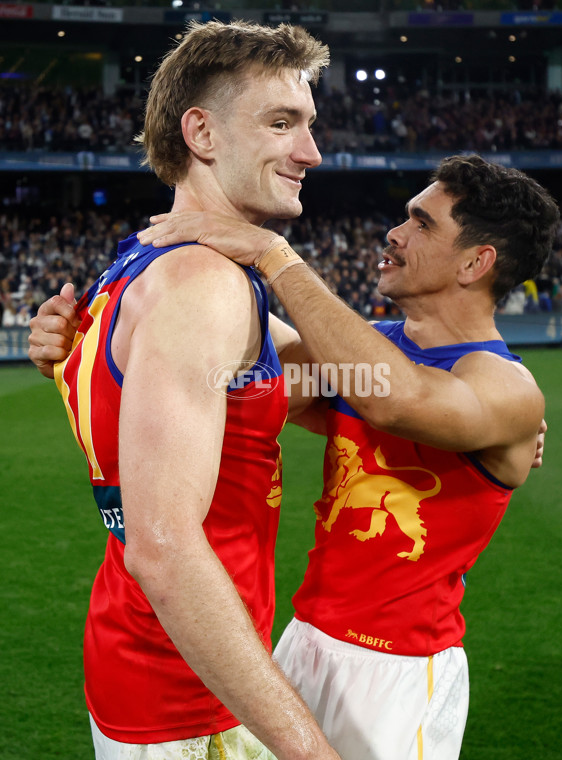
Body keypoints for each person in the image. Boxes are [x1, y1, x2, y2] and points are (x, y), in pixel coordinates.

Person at [31, 154, 555, 759]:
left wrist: (274, 255)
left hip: (401, 669)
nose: (395, 231)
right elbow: (223, 369)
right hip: (298, 646)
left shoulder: (507, 387)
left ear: (476, 262)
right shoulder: (366, 351)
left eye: (423, 222)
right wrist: (86, 338)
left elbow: (400, 399)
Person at [28, 20, 341, 760]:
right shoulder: (203, 283)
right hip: (189, 700)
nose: (311, 152)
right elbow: (163, 550)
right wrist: (312, 751)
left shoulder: (142, 258)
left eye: (309, 125)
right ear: (200, 131)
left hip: (135, 661)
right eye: (281, 122)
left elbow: (338, 381)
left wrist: (466, 400)